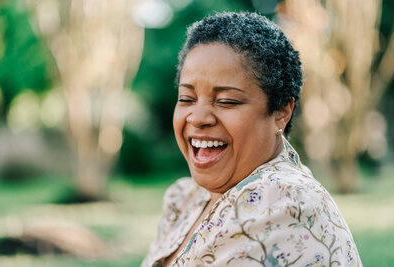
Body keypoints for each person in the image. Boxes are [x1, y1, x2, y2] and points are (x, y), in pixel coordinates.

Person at [141, 12, 362, 267]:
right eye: (187, 99)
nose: (197, 118)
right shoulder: (189, 198)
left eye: (227, 101)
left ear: (281, 111)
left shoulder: (284, 202)